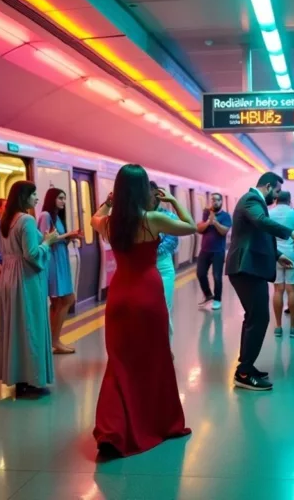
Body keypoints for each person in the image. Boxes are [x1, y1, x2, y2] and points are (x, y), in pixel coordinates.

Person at [91, 164, 195, 456]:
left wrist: (108, 203)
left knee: (119, 363)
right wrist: (174, 202)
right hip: (149, 295)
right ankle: (161, 423)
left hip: (120, 295)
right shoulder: (154, 219)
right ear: (143, 190)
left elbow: (93, 218)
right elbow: (190, 227)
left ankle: (112, 431)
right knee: (155, 360)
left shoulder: (110, 223)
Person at [226, 172, 294, 391]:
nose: (277, 196)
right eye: (277, 191)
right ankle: (243, 372)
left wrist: (277, 255)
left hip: (249, 268)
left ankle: (246, 366)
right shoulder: (251, 200)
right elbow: (261, 223)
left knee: (254, 317)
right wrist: (291, 233)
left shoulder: (256, 203)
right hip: (245, 268)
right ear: (268, 186)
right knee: (259, 318)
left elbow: (258, 234)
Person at [0, 182, 59, 398]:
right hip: (26, 278)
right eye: (33, 194)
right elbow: (31, 254)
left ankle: (18, 377)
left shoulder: (6, 220)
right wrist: (48, 242)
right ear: (24, 197)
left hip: (8, 277)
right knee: (31, 326)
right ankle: (32, 378)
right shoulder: (27, 220)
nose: (36, 198)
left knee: (15, 328)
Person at [38, 188, 82, 355]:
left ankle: (51, 339)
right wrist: (67, 235)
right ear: (52, 199)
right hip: (52, 263)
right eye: (60, 198)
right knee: (67, 299)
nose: (63, 201)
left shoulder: (57, 218)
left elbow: (57, 240)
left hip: (60, 261)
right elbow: (44, 239)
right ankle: (54, 340)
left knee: (58, 303)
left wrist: (70, 237)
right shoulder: (45, 216)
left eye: (64, 198)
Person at [269, 191, 294, 338]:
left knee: (278, 290)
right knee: (292, 290)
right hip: (292, 255)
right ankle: (293, 327)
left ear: (276, 199)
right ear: (290, 200)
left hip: (275, 255)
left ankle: (278, 327)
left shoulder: (270, 214)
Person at [150, 181, 181, 347]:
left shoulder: (168, 217)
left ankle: (165, 347)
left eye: (155, 195)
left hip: (163, 267)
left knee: (164, 309)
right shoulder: (136, 216)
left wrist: (147, 248)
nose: (152, 199)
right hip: (141, 269)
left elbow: (171, 242)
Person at [196, 193, 232, 310]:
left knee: (217, 276)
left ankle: (217, 299)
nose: (214, 202)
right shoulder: (206, 213)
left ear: (221, 202)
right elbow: (200, 229)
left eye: (217, 200)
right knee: (200, 273)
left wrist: (215, 222)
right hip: (205, 250)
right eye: (212, 200)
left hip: (218, 252)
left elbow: (224, 232)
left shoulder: (226, 216)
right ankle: (208, 295)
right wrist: (208, 222)